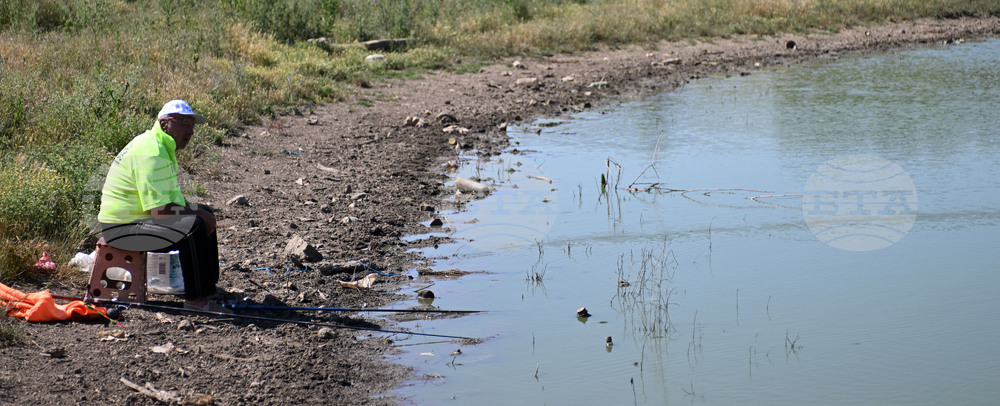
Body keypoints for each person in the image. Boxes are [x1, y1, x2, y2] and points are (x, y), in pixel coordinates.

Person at [97, 100, 230, 313]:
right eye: (184, 124)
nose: (190, 131)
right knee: (193, 226)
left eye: (192, 126)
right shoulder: (152, 152)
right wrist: (196, 215)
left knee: (204, 212)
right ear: (165, 123)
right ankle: (197, 301)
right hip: (121, 228)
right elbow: (159, 211)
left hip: (134, 220)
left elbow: (170, 200)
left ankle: (207, 288)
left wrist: (200, 212)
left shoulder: (160, 146)